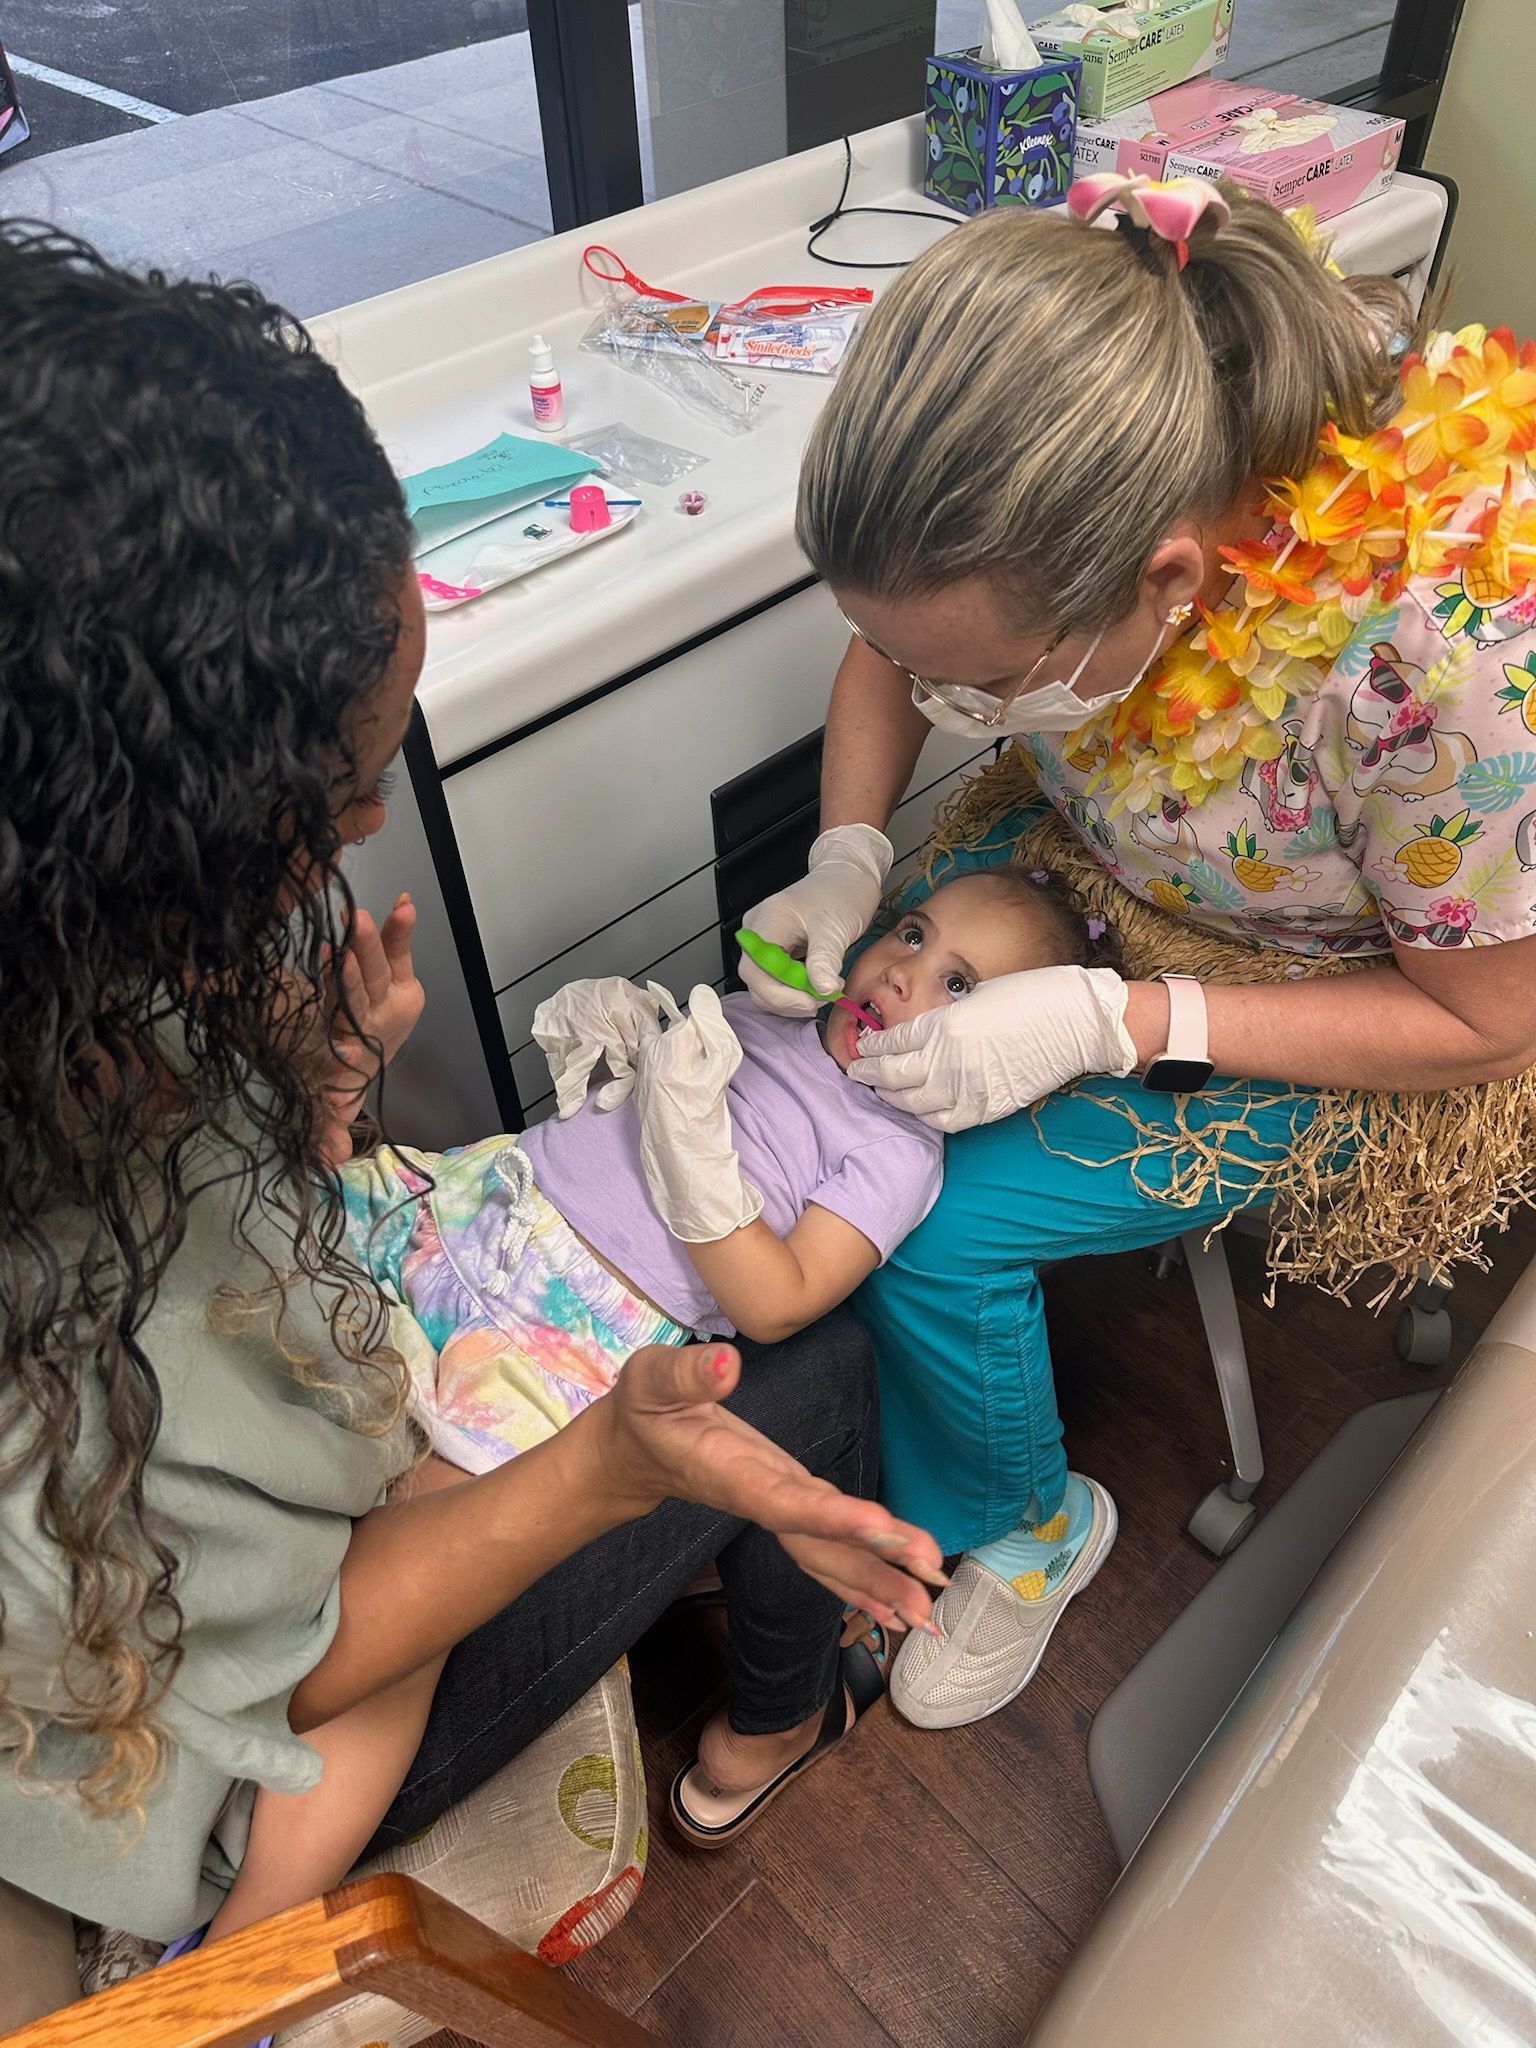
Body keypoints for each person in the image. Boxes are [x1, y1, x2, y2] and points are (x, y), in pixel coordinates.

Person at [0, 221, 947, 1959]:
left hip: (349, 1463)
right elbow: (291, 1651)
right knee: (805, 1382)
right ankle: (779, 1711)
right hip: (196, 1795)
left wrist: (318, 1096)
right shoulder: (63, 1355)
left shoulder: (81, 990)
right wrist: (594, 1469)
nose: (366, 827)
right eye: (343, 790)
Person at [743, 172, 1536, 1730]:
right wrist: (847, 858)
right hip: (1100, 860)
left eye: (980, 678)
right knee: (819, 1055)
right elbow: (900, 645)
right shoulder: (1073, 486)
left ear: (1168, 581)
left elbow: (1493, 1020)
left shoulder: (1454, 662)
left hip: (1327, 986)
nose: (933, 691)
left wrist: (1119, 1021)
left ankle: (1033, 1533)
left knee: (927, 1207)